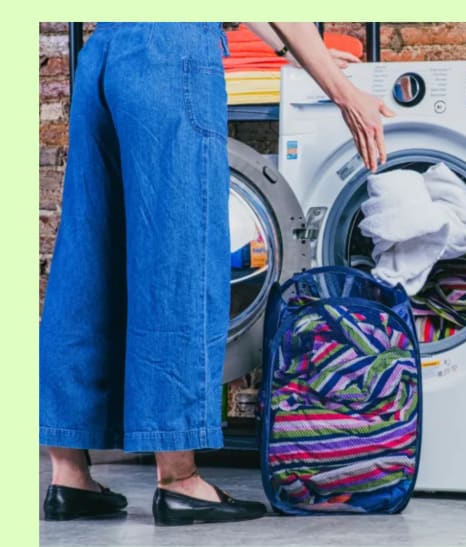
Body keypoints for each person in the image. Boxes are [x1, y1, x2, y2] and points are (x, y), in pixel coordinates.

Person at [39, 22, 393, 526]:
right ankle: (180, 482)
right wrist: (343, 90)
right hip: (172, 51)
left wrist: (283, 50)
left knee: (88, 259)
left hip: (104, 49)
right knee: (177, 260)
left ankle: (69, 479)